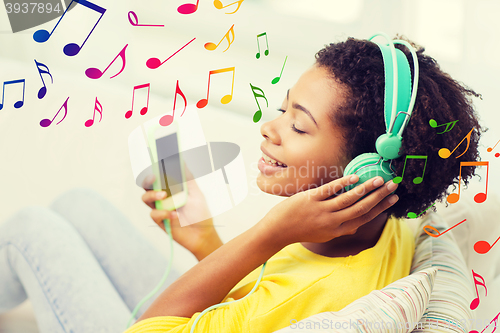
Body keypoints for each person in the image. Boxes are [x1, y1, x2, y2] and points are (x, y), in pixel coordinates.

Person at [0, 35, 483, 333]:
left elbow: (151, 329)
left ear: (366, 173)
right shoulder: (387, 223)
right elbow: (262, 293)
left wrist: (269, 233)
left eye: (298, 126)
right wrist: (206, 239)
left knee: (31, 228)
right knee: (78, 204)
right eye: (284, 108)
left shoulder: (300, 265)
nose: (268, 129)